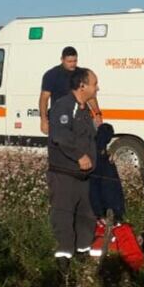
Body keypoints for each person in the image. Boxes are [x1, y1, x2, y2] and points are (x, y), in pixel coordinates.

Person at [47, 67, 100, 274]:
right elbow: (60, 136)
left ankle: (82, 253)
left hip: (84, 176)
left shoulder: (84, 108)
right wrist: (79, 155)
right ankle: (63, 262)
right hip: (64, 174)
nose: (97, 88)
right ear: (82, 85)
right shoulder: (64, 106)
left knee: (86, 216)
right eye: (95, 83)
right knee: (63, 216)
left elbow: (86, 137)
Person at [40, 46, 102, 135]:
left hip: (80, 117)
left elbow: (90, 96)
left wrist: (97, 113)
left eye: (75, 61)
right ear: (62, 59)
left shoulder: (81, 74)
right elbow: (44, 99)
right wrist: (44, 120)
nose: (72, 64)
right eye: (69, 61)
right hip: (60, 118)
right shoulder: (52, 75)